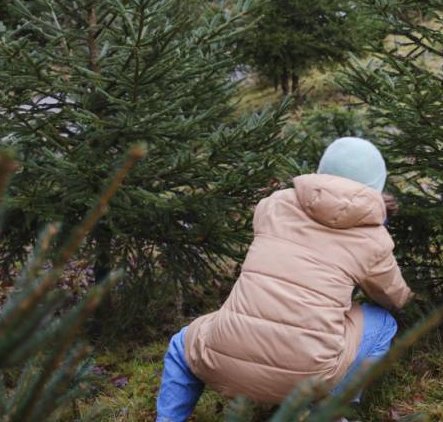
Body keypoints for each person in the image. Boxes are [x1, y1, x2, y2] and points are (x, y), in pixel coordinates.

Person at [156, 137, 412, 421]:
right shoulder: (374, 239)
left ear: (321, 170)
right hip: (311, 376)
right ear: (377, 186)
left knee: (182, 346)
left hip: (223, 360)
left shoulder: (273, 205)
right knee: (383, 323)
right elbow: (394, 297)